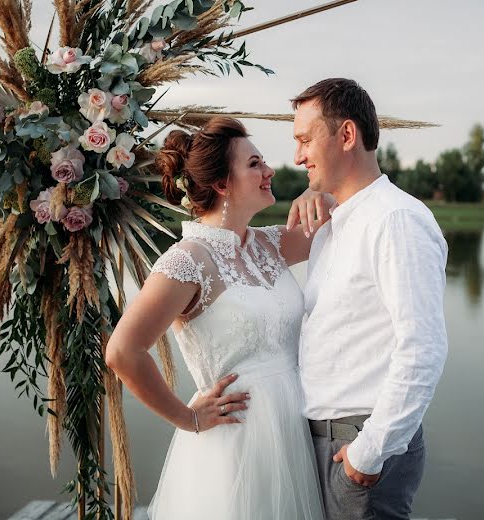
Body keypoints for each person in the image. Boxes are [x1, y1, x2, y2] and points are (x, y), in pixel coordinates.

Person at [105, 117, 332, 519]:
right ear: (222, 185)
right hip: (234, 439)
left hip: (290, 430)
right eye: (255, 164)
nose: (270, 171)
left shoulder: (267, 243)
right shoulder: (187, 260)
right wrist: (187, 417)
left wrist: (317, 195)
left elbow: (337, 215)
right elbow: (123, 351)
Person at [286, 78, 448, 520]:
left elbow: (423, 349)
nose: (297, 156)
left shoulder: (396, 220)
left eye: (304, 140)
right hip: (325, 444)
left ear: (346, 136)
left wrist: (369, 453)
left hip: (359, 449)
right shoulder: (334, 222)